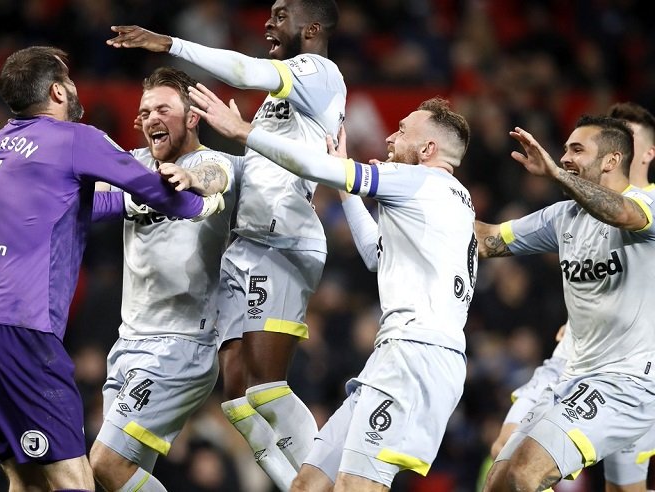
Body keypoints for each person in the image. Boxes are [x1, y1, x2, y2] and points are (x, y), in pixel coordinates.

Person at [0, 47, 223, 492]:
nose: (74, 88)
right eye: (68, 80)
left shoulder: (1, 144)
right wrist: (202, 201)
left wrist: (130, 203)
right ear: (56, 90)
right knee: (75, 480)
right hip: (20, 332)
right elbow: (154, 186)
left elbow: (70, 206)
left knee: (26, 479)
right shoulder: (74, 138)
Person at [189, 83, 475, 491]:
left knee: (355, 486)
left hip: (415, 358)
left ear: (428, 149)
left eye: (402, 130)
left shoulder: (416, 181)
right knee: (309, 483)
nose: (391, 137)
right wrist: (345, 180)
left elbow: (318, 169)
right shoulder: (449, 200)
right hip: (405, 355)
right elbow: (377, 255)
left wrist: (244, 132)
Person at [106, 1, 346, 489]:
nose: (268, 22)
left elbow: (242, 74)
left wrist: (169, 43)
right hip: (249, 245)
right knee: (238, 399)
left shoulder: (317, 71)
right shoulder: (282, 102)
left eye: (282, 15)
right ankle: (296, 484)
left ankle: (332, 482)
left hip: (282, 241)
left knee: (265, 388)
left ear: (313, 27)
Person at [475, 115, 655, 491]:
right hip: (574, 376)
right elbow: (489, 240)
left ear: (611, 160)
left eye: (577, 149)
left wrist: (558, 175)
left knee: (527, 471)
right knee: (500, 480)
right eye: (565, 149)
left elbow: (622, 213)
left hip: (628, 381)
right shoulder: (563, 216)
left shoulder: (646, 204)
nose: (565, 156)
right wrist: (432, 199)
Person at [87, 66, 236, 492]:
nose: (152, 117)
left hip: (180, 345)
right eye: (145, 110)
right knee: (119, 476)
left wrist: (190, 180)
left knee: (105, 463)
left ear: (191, 117)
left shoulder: (211, 162)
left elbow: (217, 179)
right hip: (129, 344)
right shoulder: (133, 167)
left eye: (164, 108)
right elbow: (89, 203)